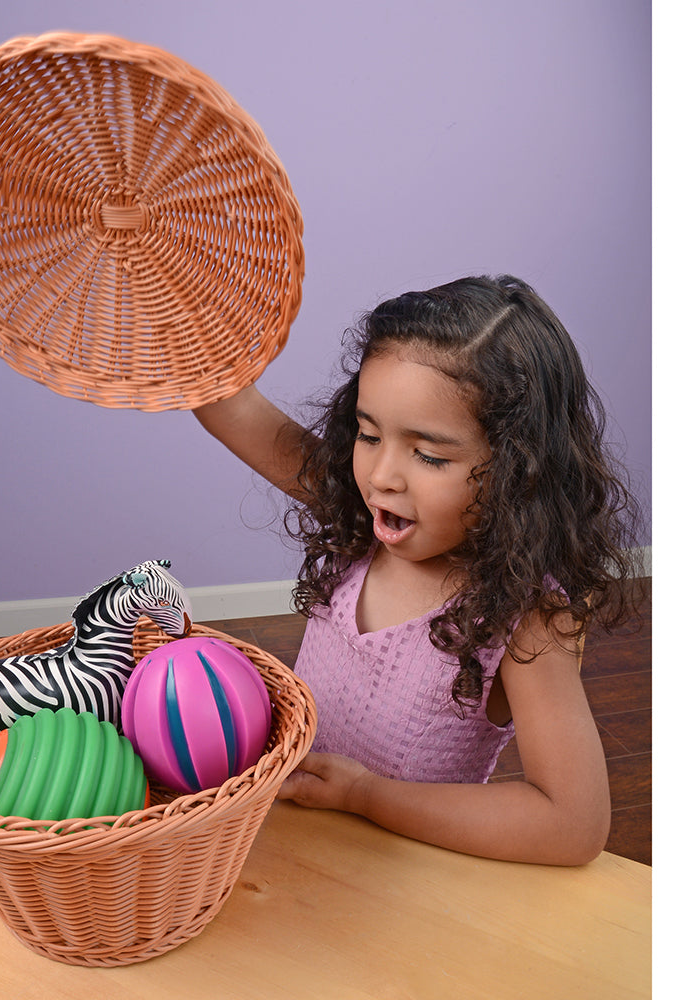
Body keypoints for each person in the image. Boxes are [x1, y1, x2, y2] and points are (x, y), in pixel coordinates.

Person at [193, 274, 641, 865]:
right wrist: (175, 308)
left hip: (401, 877)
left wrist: (366, 796)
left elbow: (573, 825)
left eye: (428, 455)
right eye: (369, 433)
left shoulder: (527, 618)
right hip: (286, 843)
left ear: (519, 470)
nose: (382, 475)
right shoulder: (364, 519)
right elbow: (230, 405)